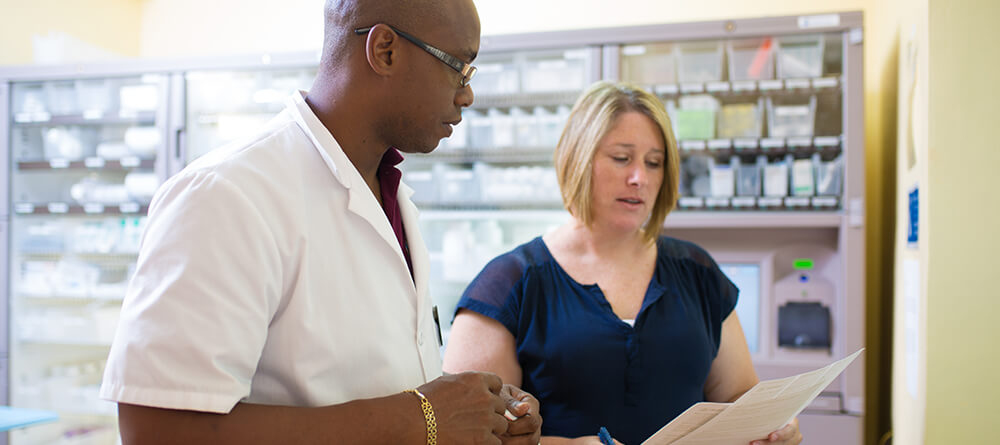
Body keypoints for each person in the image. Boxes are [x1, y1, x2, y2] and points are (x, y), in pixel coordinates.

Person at [99, 0, 542, 444]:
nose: (467, 94)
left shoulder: (389, 193)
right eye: (459, 67)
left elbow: (365, 382)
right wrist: (422, 417)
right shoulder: (226, 196)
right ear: (385, 50)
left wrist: (477, 413)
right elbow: (155, 429)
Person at [442, 81, 802, 445]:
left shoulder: (697, 271)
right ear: (578, 159)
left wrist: (773, 426)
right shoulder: (508, 284)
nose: (639, 178)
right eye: (621, 158)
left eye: (654, 163)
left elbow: (739, 396)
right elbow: (464, 432)